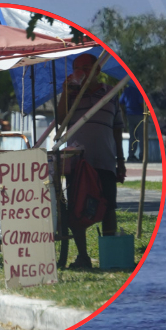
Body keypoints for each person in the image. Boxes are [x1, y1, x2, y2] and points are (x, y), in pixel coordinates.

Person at [59, 53, 126, 269]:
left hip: (105, 160)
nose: (81, 73)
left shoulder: (110, 95)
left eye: (86, 68)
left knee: (108, 208)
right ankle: (82, 257)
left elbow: (117, 130)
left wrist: (121, 161)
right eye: (77, 68)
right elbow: (61, 121)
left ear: (97, 71)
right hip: (77, 163)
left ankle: (111, 256)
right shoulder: (72, 96)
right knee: (77, 209)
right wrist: (66, 94)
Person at [120, 80, 146, 163]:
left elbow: (121, 102)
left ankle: (131, 155)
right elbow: (141, 102)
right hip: (139, 114)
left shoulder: (127, 90)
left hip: (129, 115)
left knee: (133, 136)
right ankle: (142, 156)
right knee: (141, 136)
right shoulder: (139, 90)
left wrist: (124, 112)